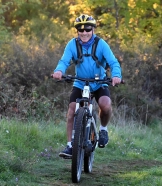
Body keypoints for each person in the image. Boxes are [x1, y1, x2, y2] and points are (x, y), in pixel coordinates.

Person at [52, 14, 122, 158]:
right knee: (72, 110)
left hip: (99, 82)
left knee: (105, 105)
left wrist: (116, 75)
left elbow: (113, 62)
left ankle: (103, 129)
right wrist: (59, 71)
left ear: (93, 30)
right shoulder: (72, 44)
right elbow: (64, 61)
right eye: (80, 30)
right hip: (80, 82)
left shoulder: (101, 44)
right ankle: (70, 146)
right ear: (77, 31)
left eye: (87, 29)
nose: (84, 33)